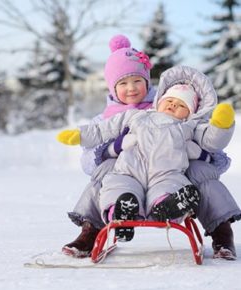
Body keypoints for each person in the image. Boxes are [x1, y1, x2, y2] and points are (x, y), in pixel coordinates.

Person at [60, 35, 241, 260]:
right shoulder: (113, 117)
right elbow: (91, 152)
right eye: (123, 83)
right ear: (112, 87)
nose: (132, 88)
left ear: (148, 81)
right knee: (104, 172)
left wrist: (202, 150)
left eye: (137, 81)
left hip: (169, 172)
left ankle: (221, 233)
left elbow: (209, 139)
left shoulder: (168, 104)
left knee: (201, 173)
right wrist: (112, 149)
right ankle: (92, 230)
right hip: (127, 172)